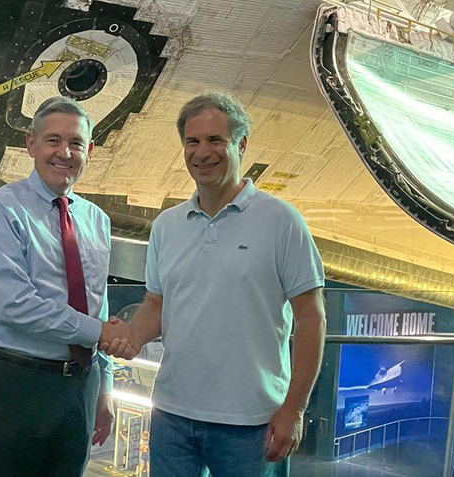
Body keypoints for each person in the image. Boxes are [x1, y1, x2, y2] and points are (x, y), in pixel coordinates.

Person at [102, 92, 326, 477]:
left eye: (215, 140)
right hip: (172, 415)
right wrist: (131, 337)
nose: (202, 152)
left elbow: (311, 318)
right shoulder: (167, 226)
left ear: (241, 144)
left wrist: (294, 408)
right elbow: (157, 303)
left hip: (251, 422)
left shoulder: (281, 221)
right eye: (193, 141)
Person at [0, 96, 134, 477]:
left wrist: (103, 386)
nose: (65, 152)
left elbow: (98, 302)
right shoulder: (1, 209)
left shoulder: (96, 220)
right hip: (16, 385)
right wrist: (100, 333)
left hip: (79, 387)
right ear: (31, 144)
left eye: (76, 143)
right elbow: (11, 304)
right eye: (53, 140)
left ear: (89, 150)